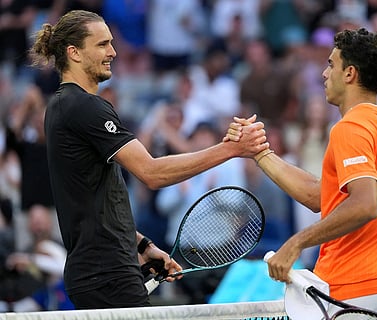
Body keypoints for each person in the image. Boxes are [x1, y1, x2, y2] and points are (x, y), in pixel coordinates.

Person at [28, 10, 268, 310]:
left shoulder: (60, 106)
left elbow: (96, 201)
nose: (113, 52)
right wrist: (230, 149)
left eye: (111, 43)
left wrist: (140, 245)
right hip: (107, 275)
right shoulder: (85, 107)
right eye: (102, 44)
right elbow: (152, 172)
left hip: (100, 272)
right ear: (73, 53)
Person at [227, 28, 377, 319]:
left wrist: (296, 242)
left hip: (357, 293)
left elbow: (365, 204)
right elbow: (320, 197)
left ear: (350, 73)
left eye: (331, 65)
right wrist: (260, 153)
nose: (324, 74)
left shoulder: (349, 128)